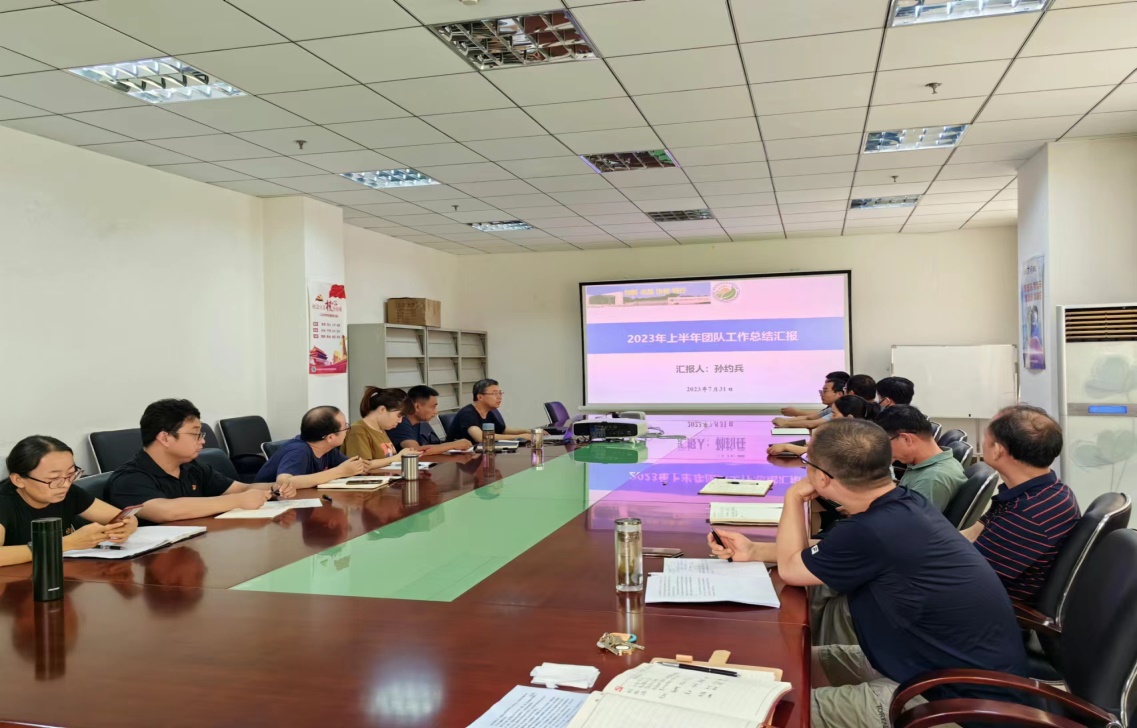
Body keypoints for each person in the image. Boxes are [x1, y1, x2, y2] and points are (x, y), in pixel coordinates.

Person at [710, 420, 1031, 727]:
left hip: (952, 704)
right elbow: (836, 551)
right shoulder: (905, 503)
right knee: (774, 665)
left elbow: (793, 570)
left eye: (808, 462)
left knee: (770, 712)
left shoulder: (870, 529)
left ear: (822, 478)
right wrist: (754, 551)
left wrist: (793, 497)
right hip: (925, 665)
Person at [961, 404, 1080, 605]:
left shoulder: (1030, 512)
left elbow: (966, 577)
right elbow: (973, 533)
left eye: (986, 436)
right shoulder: (1038, 490)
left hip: (994, 609)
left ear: (997, 450)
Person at [106, 399, 290, 524]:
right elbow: (166, 511)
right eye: (195, 434)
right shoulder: (128, 479)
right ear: (165, 438)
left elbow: (241, 489)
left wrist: (276, 487)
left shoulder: (192, 468)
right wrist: (238, 501)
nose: (202, 441)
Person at [0, 436, 139, 566]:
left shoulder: (67, 492)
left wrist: (127, 526)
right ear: (18, 480)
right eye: (54, 479)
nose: (66, 484)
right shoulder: (4, 502)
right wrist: (66, 543)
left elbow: (123, 517)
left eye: (71, 474)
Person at [255, 406, 385, 487]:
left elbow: (354, 467)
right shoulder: (298, 450)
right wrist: (339, 471)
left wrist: (357, 467)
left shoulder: (329, 449)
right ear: (330, 437)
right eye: (345, 426)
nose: (347, 429)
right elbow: (284, 482)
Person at [875, 405, 966, 512]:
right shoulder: (924, 465)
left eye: (886, 444)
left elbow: (909, 521)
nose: (884, 450)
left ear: (906, 439)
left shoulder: (930, 480)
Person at [768, 396, 880, 458]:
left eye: (834, 414)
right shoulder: (849, 432)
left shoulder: (857, 439)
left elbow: (817, 454)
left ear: (849, 417)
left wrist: (787, 447)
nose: (831, 418)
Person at [388, 385, 472, 455]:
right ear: (417, 406)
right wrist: (453, 445)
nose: (436, 412)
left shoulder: (421, 423)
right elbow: (414, 451)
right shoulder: (400, 422)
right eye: (433, 407)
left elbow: (435, 445)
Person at [343, 387, 416, 467]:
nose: (400, 421)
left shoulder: (381, 430)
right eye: (399, 415)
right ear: (382, 409)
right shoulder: (358, 431)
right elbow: (361, 466)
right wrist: (396, 458)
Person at [446, 379, 533, 444]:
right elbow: (481, 438)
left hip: (480, 453)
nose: (499, 397)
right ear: (480, 397)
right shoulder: (467, 413)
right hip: (458, 458)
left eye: (500, 393)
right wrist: (519, 437)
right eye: (495, 393)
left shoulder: (491, 410)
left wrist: (528, 431)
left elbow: (502, 430)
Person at [773, 373, 849, 429]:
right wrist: (785, 421)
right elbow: (810, 417)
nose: (821, 394)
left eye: (825, 391)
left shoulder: (842, 408)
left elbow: (812, 423)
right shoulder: (832, 408)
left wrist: (786, 423)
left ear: (839, 394)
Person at [781, 371, 849, 417]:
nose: (822, 394)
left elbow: (818, 418)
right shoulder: (833, 406)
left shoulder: (844, 407)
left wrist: (796, 413)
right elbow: (819, 414)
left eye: (826, 390)